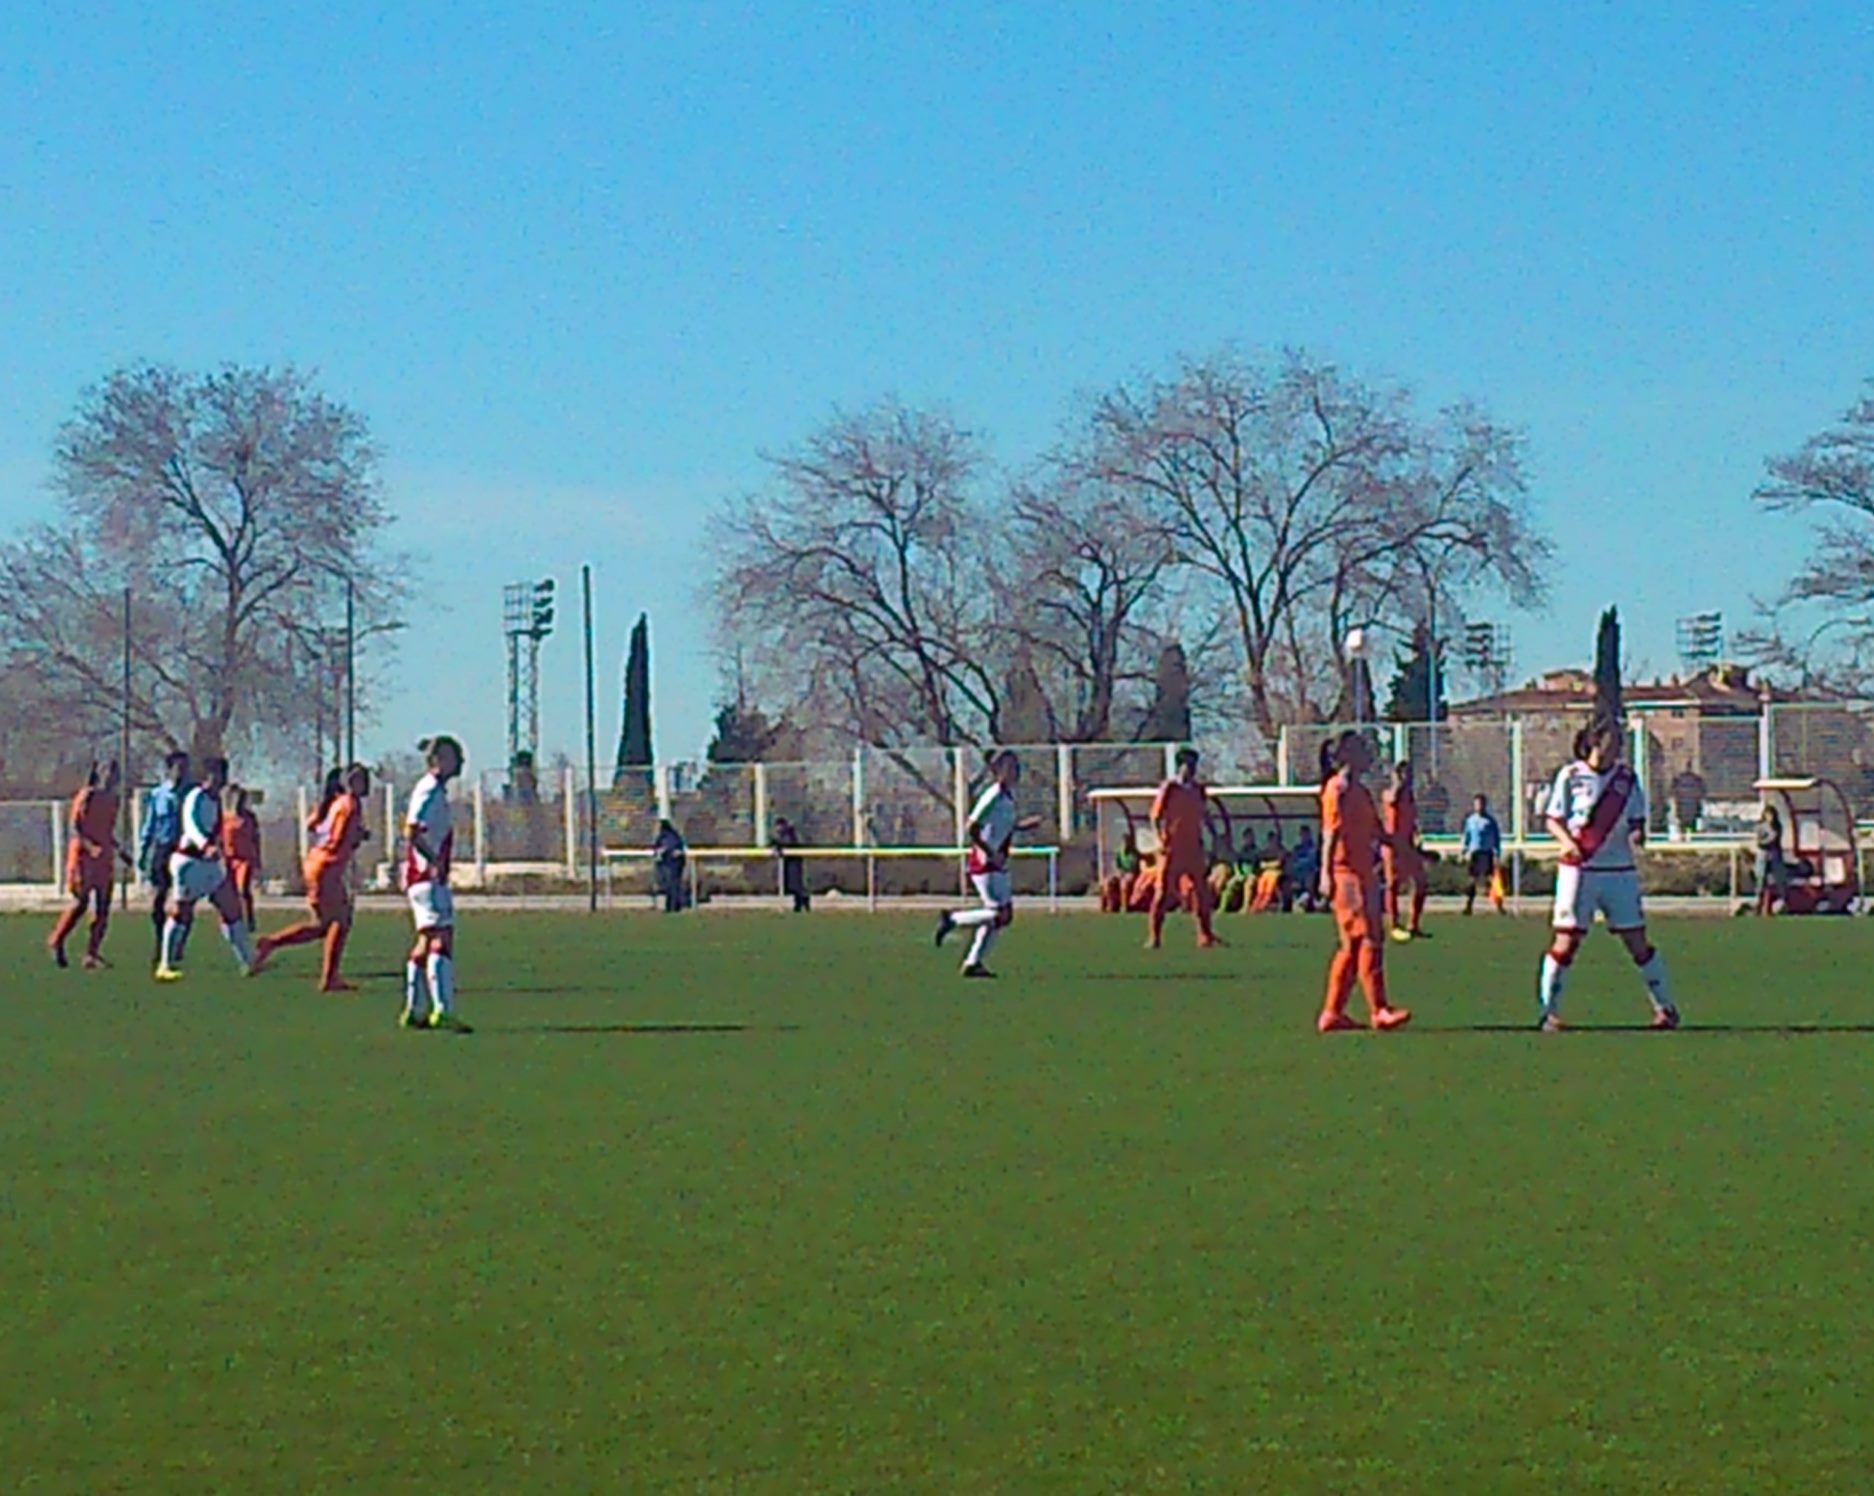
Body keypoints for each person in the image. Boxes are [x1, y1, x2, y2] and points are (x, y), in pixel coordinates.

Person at [1536, 717, 1679, 1032]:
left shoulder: (1626, 779)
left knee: (1637, 941)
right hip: (1580, 870)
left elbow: (1637, 819)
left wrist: (1638, 835)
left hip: (1619, 872)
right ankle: (1548, 1013)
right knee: (1566, 941)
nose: (1616, 747)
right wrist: (1568, 843)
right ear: (1595, 741)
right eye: (1611, 740)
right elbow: (1552, 819)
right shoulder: (1571, 776)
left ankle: (1665, 1009)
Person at [1318, 732, 1412, 1033]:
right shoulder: (1339, 789)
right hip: (1347, 875)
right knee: (1369, 938)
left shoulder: (1360, 791)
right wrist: (1325, 873)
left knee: (1352, 945)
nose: (1367, 753)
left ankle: (1332, 1013)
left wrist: (1408, 850)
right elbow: (1330, 833)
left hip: (1362, 874)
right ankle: (1379, 1010)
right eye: (1361, 748)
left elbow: (1376, 830)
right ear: (1346, 754)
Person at [255, 765, 370, 991]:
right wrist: (356, 837)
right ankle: (329, 978)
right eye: (362, 780)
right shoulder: (350, 804)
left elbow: (312, 825)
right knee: (341, 921)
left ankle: (271, 943)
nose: (367, 785)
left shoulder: (333, 802)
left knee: (323, 925)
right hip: (329, 866)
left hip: (315, 862)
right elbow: (339, 838)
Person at [935, 750, 1040, 978]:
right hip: (986, 863)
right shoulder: (992, 795)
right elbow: (971, 826)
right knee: (1001, 915)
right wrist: (989, 852)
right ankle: (953, 920)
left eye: (1016, 766)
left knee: (1000, 917)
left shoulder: (1006, 796)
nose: (1015, 771)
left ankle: (973, 963)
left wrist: (1022, 826)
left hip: (997, 862)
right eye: (1010, 766)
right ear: (998, 770)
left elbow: (999, 827)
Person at [154, 756, 256, 981]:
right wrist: (205, 845)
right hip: (188, 863)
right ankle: (164, 965)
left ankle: (248, 962)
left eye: (224, 774)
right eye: (218, 774)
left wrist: (217, 849)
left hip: (209, 864)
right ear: (207, 776)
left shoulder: (217, 800)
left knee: (230, 908)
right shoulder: (196, 796)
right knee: (182, 913)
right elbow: (191, 826)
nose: (221, 779)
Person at [401, 736, 471, 1031]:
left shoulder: (433, 790)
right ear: (438, 760)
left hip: (420, 877)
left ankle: (415, 1008)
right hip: (427, 877)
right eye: (454, 757)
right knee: (443, 936)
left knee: (425, 940)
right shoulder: (428, 789)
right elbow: (411, 830)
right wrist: (434, 861)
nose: (460, 763)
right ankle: (442, 1009)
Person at [49, 760, 126, 969]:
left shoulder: (113, 800)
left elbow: (107, 831)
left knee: (103, 907)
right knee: (80, 903)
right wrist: (90, 847)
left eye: (115, 773)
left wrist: (120, 851)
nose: (112, 777)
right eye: (109, 772)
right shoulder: (87, 795)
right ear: (100, 774)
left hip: (104, 857)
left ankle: (91, 954)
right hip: (83, 857)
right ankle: (57, 940)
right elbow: (75, 828)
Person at [1147, 747, 1220, 950]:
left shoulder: (1198, 790)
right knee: (1162, 894)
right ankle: (1155, 937)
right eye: (1188, 764)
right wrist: (1160, 839)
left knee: (1201, 893)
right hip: (1172, 849)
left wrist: (1215, 836)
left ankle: (1204, 935)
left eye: (1194, 765)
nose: (1191, 769)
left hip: (1194, 848)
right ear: (1180, 765)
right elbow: (1155, 816)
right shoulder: (1169, 788)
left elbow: (1205, 815)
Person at [137, 750, 190, 962]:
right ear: (169, 770)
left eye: (185, 768)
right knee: (159, 898)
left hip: (185, 850)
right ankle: (161, 942)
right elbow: (150, 824)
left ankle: (179, 943)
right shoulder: (158, 794)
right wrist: (143, 852)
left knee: (185, 900)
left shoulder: (191, 794)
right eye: (178, 767)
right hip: (163, 848)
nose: (182, 772)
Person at [1382, 761, 1429, 941]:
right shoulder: (1389, 793)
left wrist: (1417, 837)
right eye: (1404, 774)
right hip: (1392, 844)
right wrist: (1397, 783)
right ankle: (1393, 923)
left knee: (1420, 882)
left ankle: (1413, 923)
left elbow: (1412, 820)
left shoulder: (1410, 798)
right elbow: (1392, 799)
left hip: (1408, 844)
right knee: (1392, 884)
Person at [220, 786, 263, 931]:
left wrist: (257, 857)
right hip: (229, 858)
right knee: (229, 891)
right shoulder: (225, 816)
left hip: (245, 858)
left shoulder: (249, 817)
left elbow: (255, 837)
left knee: (243, 889)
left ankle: (250, 919)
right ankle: (231, 920)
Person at [1461, 794, 1506, 915]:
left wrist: (1497, 853)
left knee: (1492, 880)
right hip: (1474, 853)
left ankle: (1499, 906)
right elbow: (1467, 836)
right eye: (1476, 804)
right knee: (1472, 880)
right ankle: (1468, 906)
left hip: (1486, 853)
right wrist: (1464, 850)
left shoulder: (1490, 821)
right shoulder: (1470, 820)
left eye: (1481, 804)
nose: (1479, 806)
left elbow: (1496, 838)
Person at [771, 816, 810, 913]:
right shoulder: (784, 834)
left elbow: (789, 844)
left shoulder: (790, 834)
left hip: (794, 861)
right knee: (791, 885)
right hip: (789, 861)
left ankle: (802, 903)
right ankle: (799, 904)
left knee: (796, 884)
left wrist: (779, 846)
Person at [1754, 805, 1787, 916]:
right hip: (1763, 855)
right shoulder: (1760, 827)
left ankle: (1781, 902)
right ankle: (1759, 903)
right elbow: (1760, 841)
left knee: (1778, 878)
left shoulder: (1777, 826)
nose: (1770, 817)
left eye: (1772, 815)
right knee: (1761, 878)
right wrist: (1769, 839)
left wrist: (1772, 838)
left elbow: (1776, 839)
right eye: (1768, 815)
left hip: (1775, 855)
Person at [652, 820, 689, 913]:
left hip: (672, 864)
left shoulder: (668, 837)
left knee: (672, 885)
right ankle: (673, 905)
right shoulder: (672, 836)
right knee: (673, 885)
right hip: (672, 864)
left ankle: (673, 906)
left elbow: (680, 849)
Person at [1286, 824, 1321, 914]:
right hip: (1297, 874)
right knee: (1287, 879)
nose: (1303, 837)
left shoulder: (1313, 848)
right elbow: (1292, 861)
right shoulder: (1297, 848)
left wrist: (1299, 865)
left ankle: (1312, 902)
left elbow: (1311, 862)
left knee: (1310, 876)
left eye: (1305, 834)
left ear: (1309, 835)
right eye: (1302, 834)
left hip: (1310, 873)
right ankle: (1290, 903)